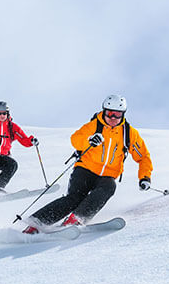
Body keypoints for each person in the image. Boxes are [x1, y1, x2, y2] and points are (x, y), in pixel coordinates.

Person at [22, 94, 153, 234]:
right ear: (104, 111)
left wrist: (145, 177)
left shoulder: (128, 133)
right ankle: (36, 223)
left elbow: (143, 156)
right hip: (85, 169)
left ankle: (76, 219)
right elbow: (75, 139)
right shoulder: (94, 125)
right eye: (109, 113)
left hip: (107, 176)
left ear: (123, 114)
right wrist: (89, 140)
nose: (113, 118)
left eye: (117, 114)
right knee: (74, 198)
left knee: (109, 187)